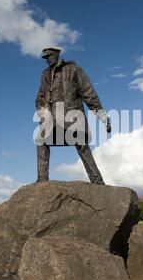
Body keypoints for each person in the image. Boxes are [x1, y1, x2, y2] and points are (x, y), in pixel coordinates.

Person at [35, 47, 111, 184]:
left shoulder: (73, 70)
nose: (47, 60)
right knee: (41, 141)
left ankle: (97, 181)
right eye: (45, 58)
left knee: (81, 145)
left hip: (72, 116)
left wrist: (100, 112)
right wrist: (42, 111)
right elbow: (40, 97)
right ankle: (42, 180)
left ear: (57, 55)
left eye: (49, 56)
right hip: (52, 119)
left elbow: (88, 93)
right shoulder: (45, 75)